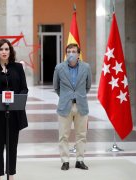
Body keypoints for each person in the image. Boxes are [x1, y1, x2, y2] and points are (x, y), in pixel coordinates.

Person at [0, 39, 28, 180]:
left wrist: (18, 99)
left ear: (10, 51)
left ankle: (11, 175)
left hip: (13, 114)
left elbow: (24, 88)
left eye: (7, 49)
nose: (4, 52)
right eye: (1, 49)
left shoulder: (18, 68)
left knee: (12, 147)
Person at [53, 43, 92, 171]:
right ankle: (65, 161)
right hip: (65, 106)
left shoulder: (86, 67)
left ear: (78, 53)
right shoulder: (59, 68)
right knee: (63, 135)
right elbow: (56, 87)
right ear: (66, 54)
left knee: (81, 135)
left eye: (74, 51)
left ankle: (80, 160)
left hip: (81, 105)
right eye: (69, 51)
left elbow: (88, 86)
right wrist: (65, 97)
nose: (71, 54)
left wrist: (78, 96)